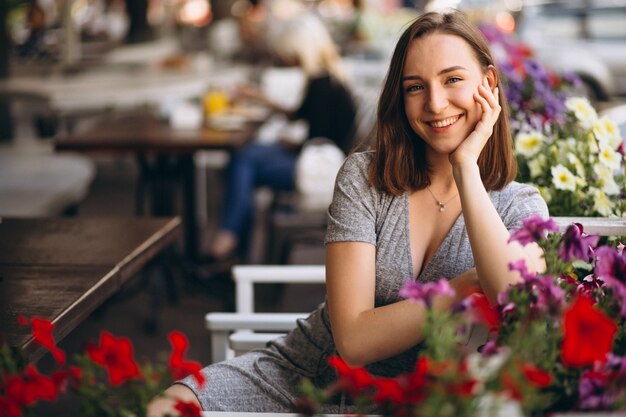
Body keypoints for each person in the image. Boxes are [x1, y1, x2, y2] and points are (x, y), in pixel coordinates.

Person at [148, 9, 548, 415]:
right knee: (165, 409)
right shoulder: (366, 178)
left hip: (421, 402)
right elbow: (354, 342)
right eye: (415, 87)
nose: (435, 102)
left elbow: (509, 294)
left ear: (489, 84)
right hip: (306, 376)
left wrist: (465, 167)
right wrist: (459, 287)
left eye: (452, 79)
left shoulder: (520, 205)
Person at [209, 13, 358, 261]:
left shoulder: (321, 85)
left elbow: (316, 138)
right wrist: (262, 99)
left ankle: (231, 234)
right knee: (247, 156)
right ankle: (235, 234)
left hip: (319, 169)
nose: (287, 60)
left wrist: (290, 144)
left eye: (289, 54)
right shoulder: (328, 77)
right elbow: (301, 114)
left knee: (244, 160)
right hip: (323, 159)